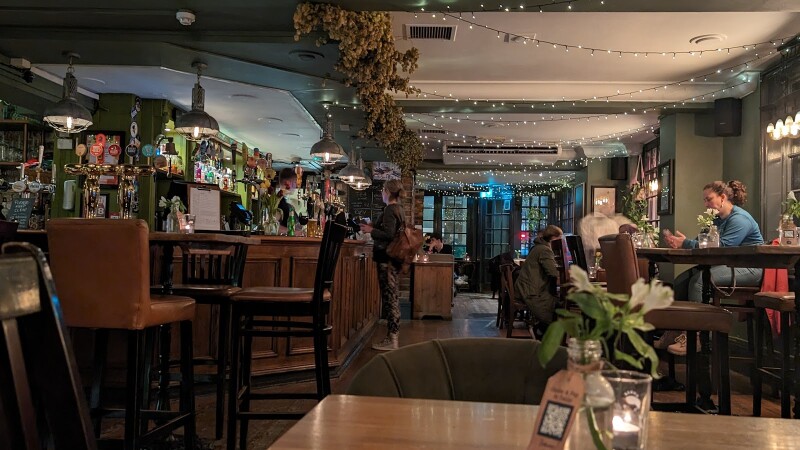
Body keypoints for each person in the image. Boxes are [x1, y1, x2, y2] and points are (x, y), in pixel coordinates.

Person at [663, 180, 764, 355]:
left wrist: (686, 243)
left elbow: (723, 247)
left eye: (708, 199)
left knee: (699, 282)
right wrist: (681, 242)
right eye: (704, 200)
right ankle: (675, 331)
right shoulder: (716, 220)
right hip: (730, 265)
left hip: (751, 268)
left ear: (722, 197)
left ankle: (698, 338)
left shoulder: (739, 219)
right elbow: (701, 243)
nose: (705, 204)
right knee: (680, 282)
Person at [359, 179, 405, 351]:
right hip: (394, 259)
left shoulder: (390, 209)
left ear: (387, 192)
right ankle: (393, 337)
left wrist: (371, 230)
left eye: (382, 190)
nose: (381, 193)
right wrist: (374, 227)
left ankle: (392, 339)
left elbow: (389, 234)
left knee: (389, 298)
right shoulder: (399, 209)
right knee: (392, 296)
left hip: (387, 259)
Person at [514, 224, 563, 339]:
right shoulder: (545, 250)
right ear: (553, 238)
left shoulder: (538, 247)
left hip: (527, 288)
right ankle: (540, 331)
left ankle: (542, 331)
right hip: (531, 291)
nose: (561, 242)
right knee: (558, 305)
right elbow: (553, 272)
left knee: (557, 301)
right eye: (560, 238)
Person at [276, 167, 296, 233]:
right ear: (288, 183)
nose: (295, 186)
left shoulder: (283, 200)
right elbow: (274, 226)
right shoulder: (278, 201)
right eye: (294, 182)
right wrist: (295, 232)